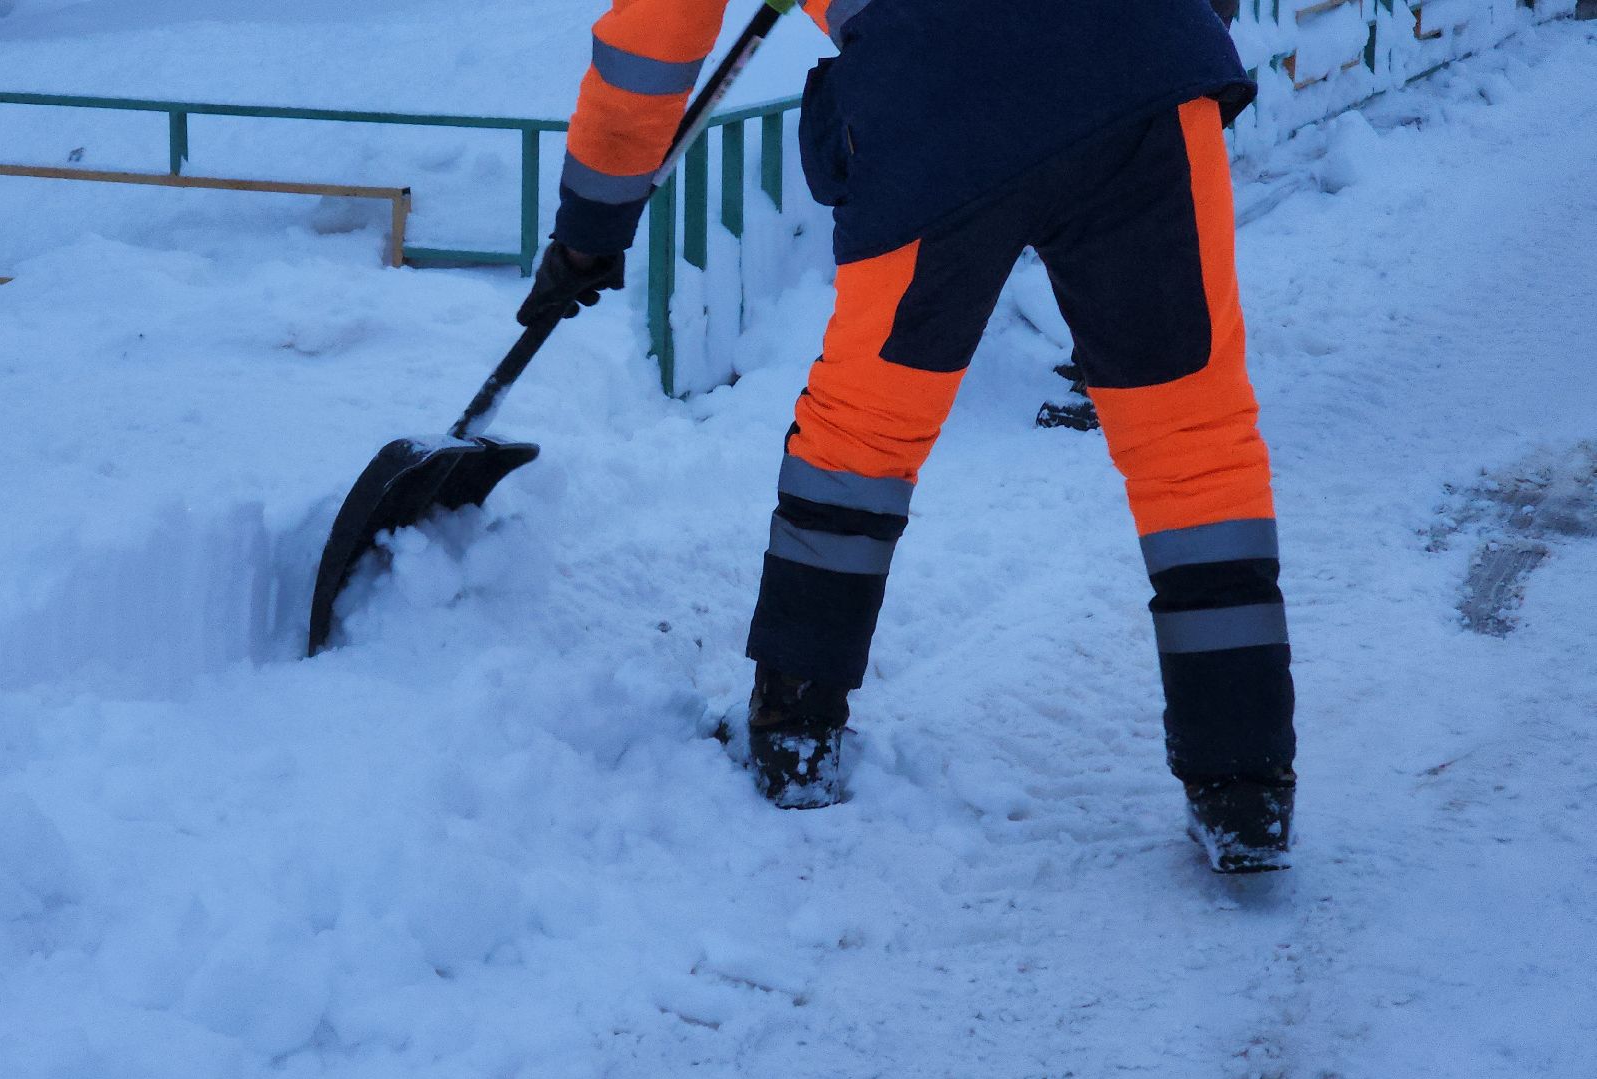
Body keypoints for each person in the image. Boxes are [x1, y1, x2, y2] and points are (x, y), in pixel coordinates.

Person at [518, 0, 1297, 872]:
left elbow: (648, 49)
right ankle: (1245, 789)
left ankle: (795, 734)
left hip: (940, 92)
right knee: (1191, 430)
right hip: (1145, 68)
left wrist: (590, 227)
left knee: (864, 433)